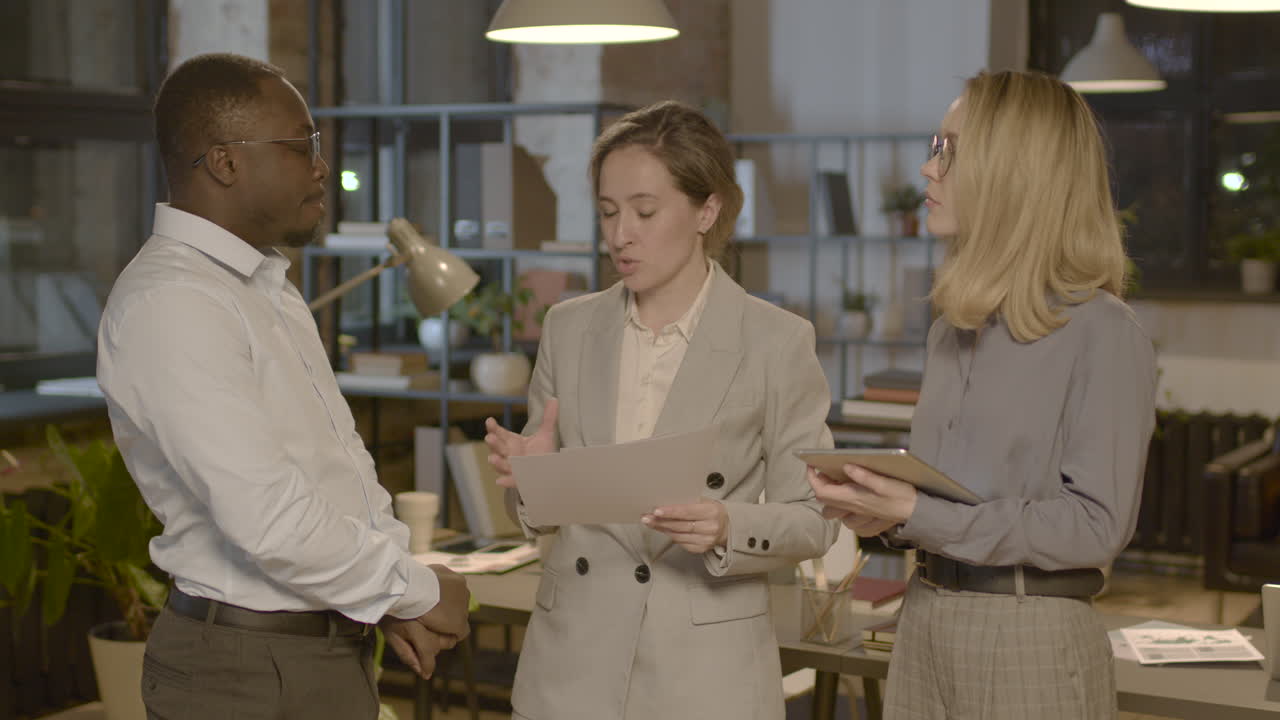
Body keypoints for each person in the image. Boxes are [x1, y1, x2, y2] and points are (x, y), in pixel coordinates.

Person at [97, 53, 470, 720]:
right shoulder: (174, 301)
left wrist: (385, 596)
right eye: (303, 146)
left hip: (316, 651)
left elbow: (337, 468)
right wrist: (413, 590)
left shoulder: (265, 286)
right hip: (246, 671)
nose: (321, 166)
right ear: (225, 162)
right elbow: (267, 517)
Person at [808, 70, 1158, 719]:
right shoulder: (953, 328)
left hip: (1029, 635)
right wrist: (882, 512)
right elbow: (953, 501)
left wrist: (918, 511)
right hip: (924, 618)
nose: (927, 169)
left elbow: (1093, 529)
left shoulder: (1103, 333)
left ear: (1015, 173)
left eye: (949, 149)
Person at [482, 100, 840, 720]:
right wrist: (533, 483)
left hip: (705, 677)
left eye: (645, 211)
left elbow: (817, 518)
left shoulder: (776, 341)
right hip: (570, 670)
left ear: (708, 209)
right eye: (608, 212)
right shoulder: (568, 328)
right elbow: (535, 519)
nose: (622, 234)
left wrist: (728, 525)